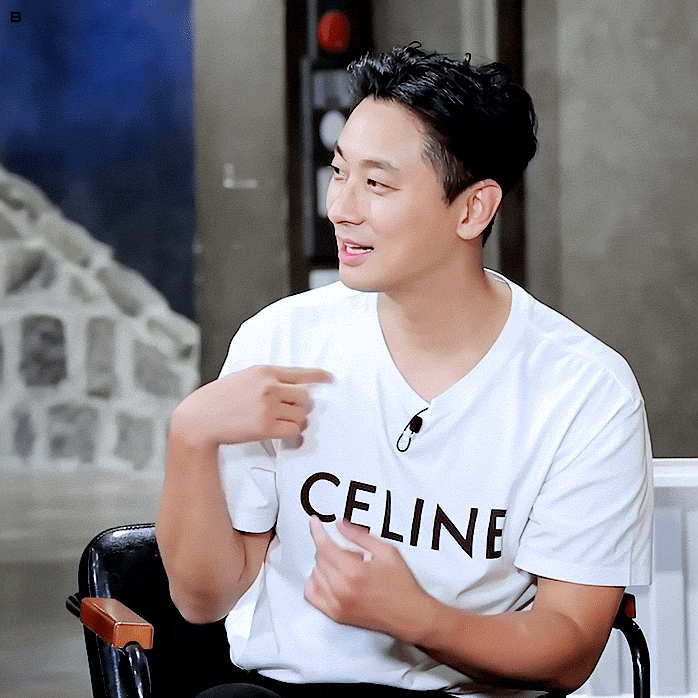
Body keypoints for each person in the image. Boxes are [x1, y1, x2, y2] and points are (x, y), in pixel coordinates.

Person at [156, 43, 653, 698]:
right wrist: (191, 437)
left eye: (377, 184)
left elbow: (569, 647)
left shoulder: (586, 391)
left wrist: (417, 617)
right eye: (339, 172)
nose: (340, 207)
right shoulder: (280, 340)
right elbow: (204, 601)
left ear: (473, 209)